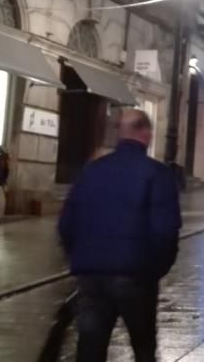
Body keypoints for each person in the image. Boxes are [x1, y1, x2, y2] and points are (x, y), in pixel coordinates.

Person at [59, 110, 181, 362]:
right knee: (143, 345)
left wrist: (79, 258)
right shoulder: (156, 173)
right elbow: (165, 230)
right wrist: (156, 268)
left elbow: (67, 222)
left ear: (120, 133)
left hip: (91, 275)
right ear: (145, 134)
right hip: (136, 273)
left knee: (91, 346)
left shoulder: (92, 170)